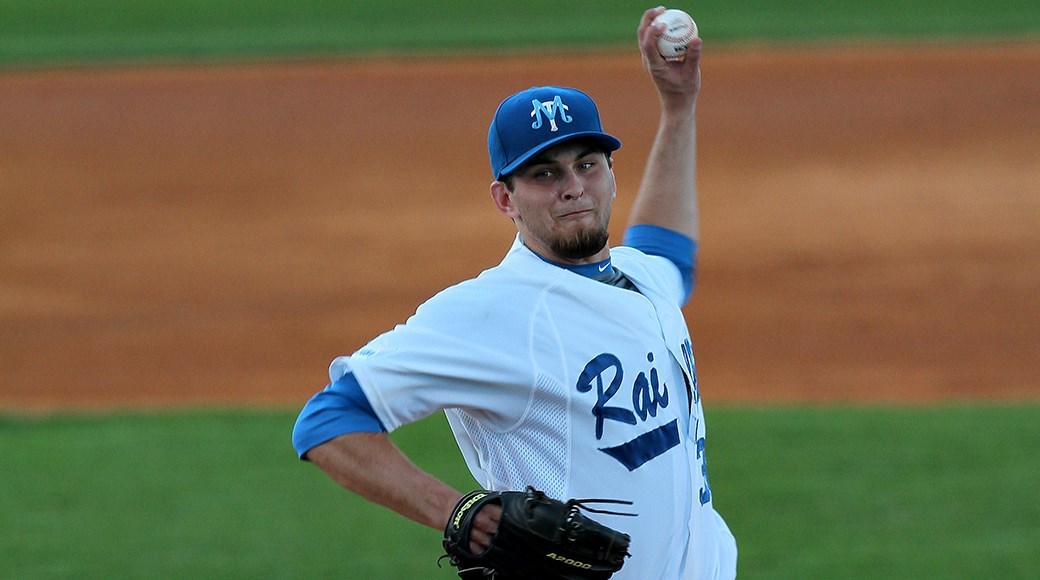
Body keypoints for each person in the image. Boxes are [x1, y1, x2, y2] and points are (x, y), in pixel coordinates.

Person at [292, 7, 737, 578]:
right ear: (506, 199)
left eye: (587, 165)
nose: (574, 187)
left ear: (611, 173)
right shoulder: (492, 313)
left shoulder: (640, 276)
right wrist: (460, 513)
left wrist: (678, 108)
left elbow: (667, 251)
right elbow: (328, 420)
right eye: (545, 174)